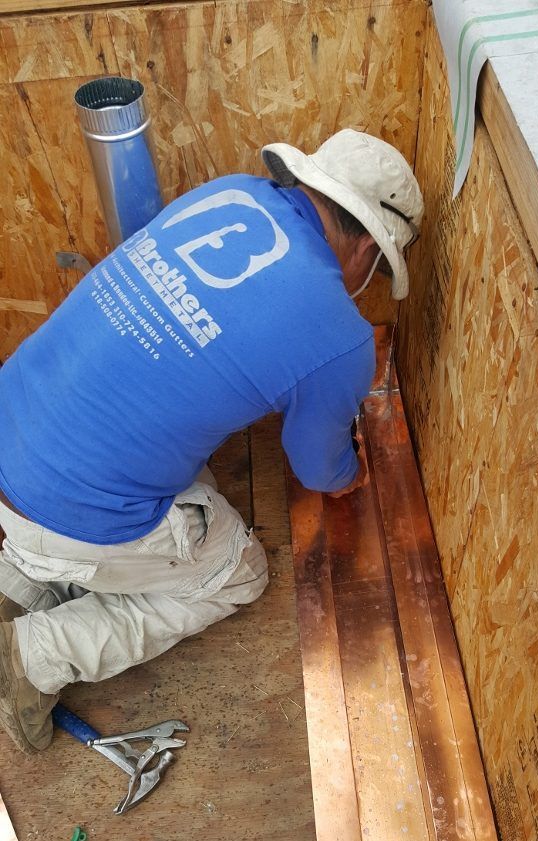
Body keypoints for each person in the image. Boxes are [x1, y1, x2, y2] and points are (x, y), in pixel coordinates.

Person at [0, 128, 423, 755]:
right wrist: (354, 474)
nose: (373, 278)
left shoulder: (227, 195)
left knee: (159, 475)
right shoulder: (341, 335)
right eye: (381, 264)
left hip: (14, 427)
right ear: (366, 244)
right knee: (237, 575)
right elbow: (319, 471)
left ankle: (20, 582)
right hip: (73, 514)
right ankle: (35, 656)